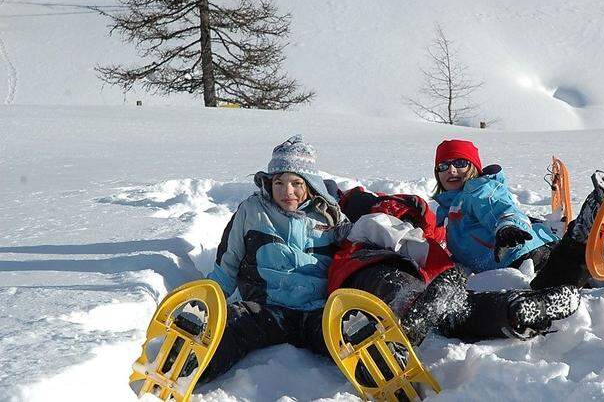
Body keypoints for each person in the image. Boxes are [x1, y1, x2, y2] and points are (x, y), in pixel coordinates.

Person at [431, 139, 604, 290]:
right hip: (521, 255)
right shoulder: (447, 208)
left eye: (460, 163)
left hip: (519, 255)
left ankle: (582, 233)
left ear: (474, 168)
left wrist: (506, 226)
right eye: (444, 165)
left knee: (549, 289)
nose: (451, 170)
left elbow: (499, 208)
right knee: (587, 281)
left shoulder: (478, 190)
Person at [330, 186, 581, 346]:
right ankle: (412, 319)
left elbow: (433, 240)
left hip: (420, 279)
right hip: (368, 266)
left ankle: (515, 309)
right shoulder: (367, 220)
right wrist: (443, 272)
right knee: (400, 286)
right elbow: (389, 233)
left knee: (457, 310)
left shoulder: (433, 223)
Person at [201, 135, 348, 382]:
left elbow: (349, 262)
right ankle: (184, 370)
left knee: (352, 335)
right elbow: (228, 263)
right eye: (278, 182)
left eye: (295, 183)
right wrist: (206, 299)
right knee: (230, 325)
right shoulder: (252, 211)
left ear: (309, 184)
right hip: (265, 309)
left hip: (316, 313)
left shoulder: (330, 217)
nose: (286, 191)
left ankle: (390, 379)